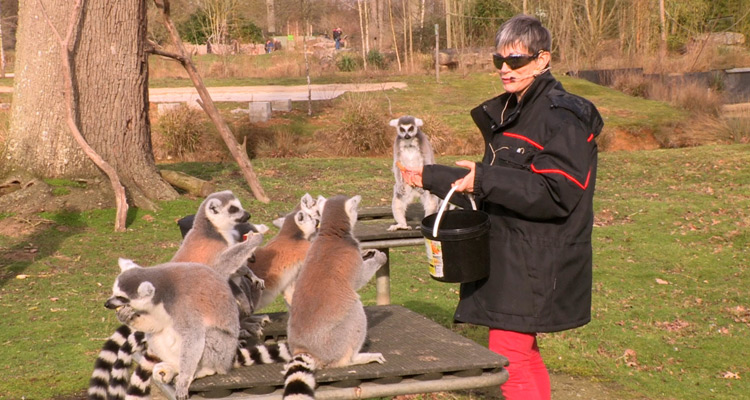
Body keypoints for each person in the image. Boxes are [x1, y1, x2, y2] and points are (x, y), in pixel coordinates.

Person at [400, 14, 603, 400]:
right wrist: (428, 175)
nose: (505, 70)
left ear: (543, 60)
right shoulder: (514, 112)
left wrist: (484, 179)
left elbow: (556, 192)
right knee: (522, 353)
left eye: (516, 61)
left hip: (537, 259)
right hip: (512, 252)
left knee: (510, 356)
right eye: (499, 61)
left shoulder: (564, 117)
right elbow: (495, 184)